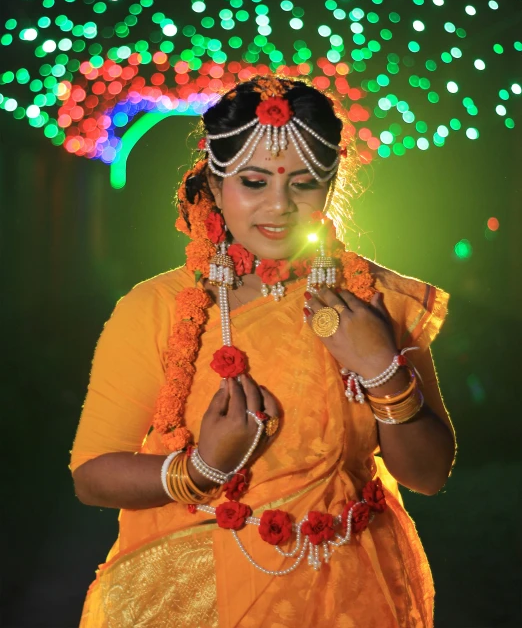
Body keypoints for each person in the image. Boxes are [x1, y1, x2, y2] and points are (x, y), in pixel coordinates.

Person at [70, 73, 456, 628]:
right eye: (254, 182)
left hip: (354, 593)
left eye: (303, 184)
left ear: (329, 184)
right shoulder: (157, 308)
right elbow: (92, 476)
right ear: (215, 181)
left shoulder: (374, 304)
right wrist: (202, 467)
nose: (279, 207)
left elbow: (428, 474)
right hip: (196, 597)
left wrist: (380, 370)